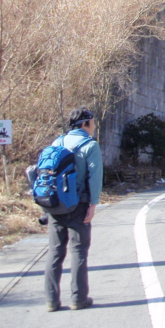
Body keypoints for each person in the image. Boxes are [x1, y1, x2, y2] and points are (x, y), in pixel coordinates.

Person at [44, 107, 103, 311]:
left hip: (56, 204)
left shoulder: (57, 142)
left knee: (55, 251)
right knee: (78, 250)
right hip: (78, 203)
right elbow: (95, 178)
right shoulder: (90, 145)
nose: (94, 126)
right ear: (85, 124)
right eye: (93, 123)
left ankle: (51, 300)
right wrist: (93, 205)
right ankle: (78, 298)